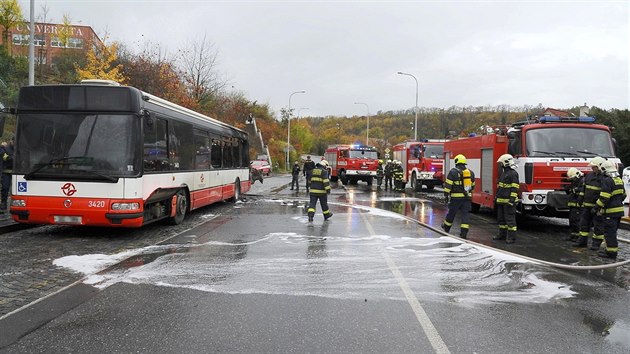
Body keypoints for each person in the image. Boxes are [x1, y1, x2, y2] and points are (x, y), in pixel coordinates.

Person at [594, 160, 626, 259]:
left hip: (610, 212)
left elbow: (604, 197)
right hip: (619, 211)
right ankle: (609, 250)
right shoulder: (618, 179)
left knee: (609, 233)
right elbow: (624, 195)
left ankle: (611, 253)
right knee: (613, 232)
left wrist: (596, 207)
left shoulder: (608, 181)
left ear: (604, 170)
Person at [441, 154, 475, 239]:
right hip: (467, 198)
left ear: (456, 162)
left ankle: (446, 227)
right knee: (465, 215)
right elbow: (473, 186)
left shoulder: (453, 172)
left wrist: (446, 196)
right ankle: (464, 233)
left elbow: (448, 185)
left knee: (452, 213)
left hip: (456, 198)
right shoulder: (471, 173)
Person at [574, 156, 606, 249]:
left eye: (594, 167)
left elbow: (605, 194)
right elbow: (584, 188)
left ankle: (596, 244)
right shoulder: (589, 175)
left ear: (600, 166)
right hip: (586, 206)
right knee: (583, 224)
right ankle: (582, 242)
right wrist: (580, 197)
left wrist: (599, 207)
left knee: (598, 226)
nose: (592, 168)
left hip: (597, 207)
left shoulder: (605, 178)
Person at [493, 154, 519, 244]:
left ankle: (511, 238)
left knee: (510, 220)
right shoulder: (504, 173)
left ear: (506, 162)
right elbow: (500, 187)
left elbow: (514, 188)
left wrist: (511, 200)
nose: (500, 164)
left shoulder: (513, 174)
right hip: (501, 201)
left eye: (501, 163)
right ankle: (502, 235)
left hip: (509, 202)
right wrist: (496, 197)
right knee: (501, 219)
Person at [565, 167, 584, 241]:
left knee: (577, 221)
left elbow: (581, 192)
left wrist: (574, 190)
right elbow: (570, 191)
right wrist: (568, 189)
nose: (572, 180)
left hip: (578, 206)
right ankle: (573, 235)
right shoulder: (575, 181)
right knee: (572, 221)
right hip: (573, 205)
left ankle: (578, 237)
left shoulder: (582, 181)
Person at [0, 138, 13, 210]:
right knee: (5, 188)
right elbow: (5, 158)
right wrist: (14, 158)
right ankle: (3, 203)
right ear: (11, 141)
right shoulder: (5, 149)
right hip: (6, 172)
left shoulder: (20, 148)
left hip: (16, 172)